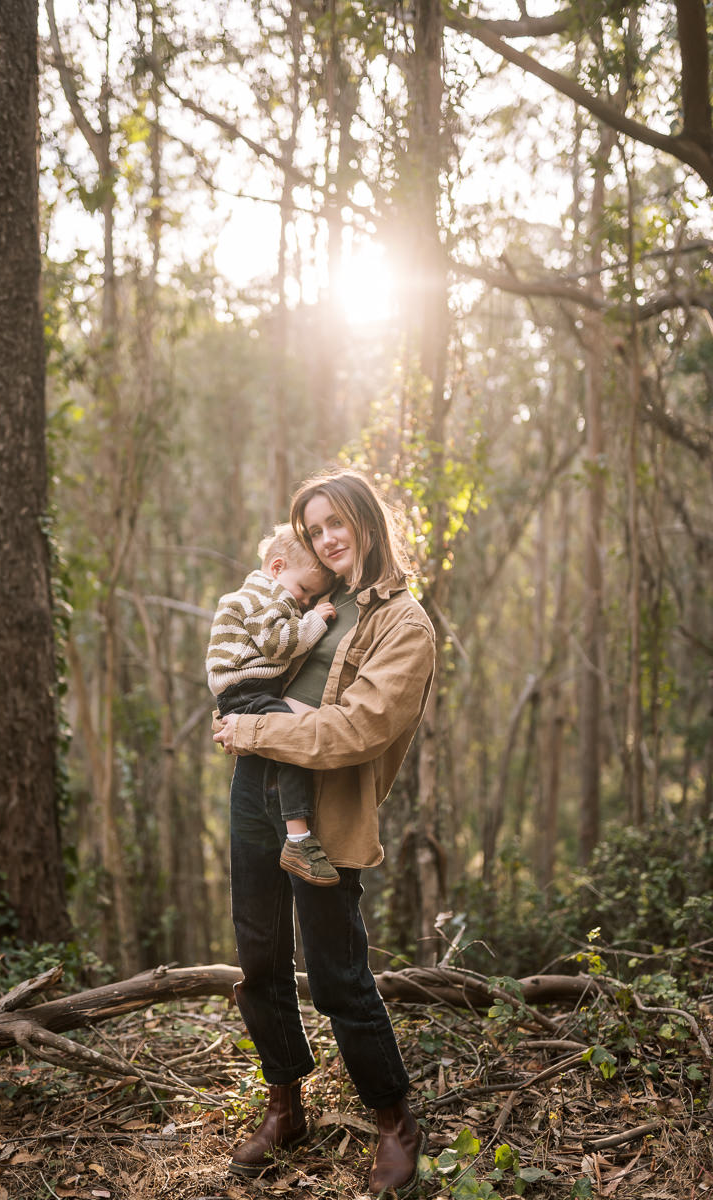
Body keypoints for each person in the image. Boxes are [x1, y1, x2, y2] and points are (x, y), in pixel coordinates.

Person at [213, 467, 436, 1197]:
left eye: (336, 522)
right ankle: (285, 1108)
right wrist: (238, 707)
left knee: (338, 972)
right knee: (259, 958)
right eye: (314, 529)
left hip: (326, 808)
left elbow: (358, 729)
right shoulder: (310, 596)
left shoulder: (403, 624)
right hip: (256, 788)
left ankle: (394, 1122)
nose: (326, 539)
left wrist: (252, 727)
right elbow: (251, 656)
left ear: (367, 520)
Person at [206, 524, 340, 885]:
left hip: (247, 691)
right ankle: (298, 839)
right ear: (277, 567)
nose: (305, 601)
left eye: (312, 597)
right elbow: (277, 644)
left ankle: (295, 835)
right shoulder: (264, 595)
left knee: (283, 743)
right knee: (290, 739)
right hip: (247, 691)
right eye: (304, 590)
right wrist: (314, 621)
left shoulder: (262, 593)